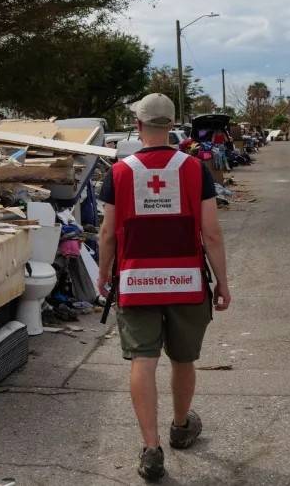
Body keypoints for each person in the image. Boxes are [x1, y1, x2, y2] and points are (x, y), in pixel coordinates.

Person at [98, 94, 232, 482]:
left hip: (137, 282)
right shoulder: (194, 169)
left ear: (138, 126)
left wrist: (105, 273)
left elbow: (107, 232)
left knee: (143, 359)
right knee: (183, 359)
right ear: (173, 125)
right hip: (187, 281)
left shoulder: (119, 172)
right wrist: (222, 281)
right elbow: (211, 232)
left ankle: (151, 448)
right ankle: (180, 426)